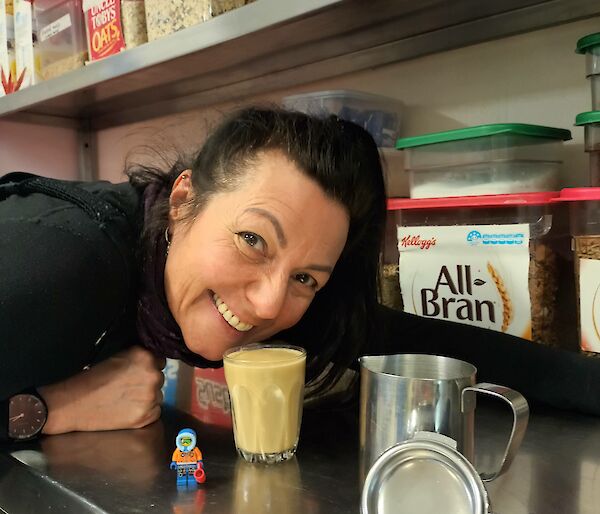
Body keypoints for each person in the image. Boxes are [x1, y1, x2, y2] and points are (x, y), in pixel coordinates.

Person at [1, 107, 599, 441]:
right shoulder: (67, 262)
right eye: (252, 239)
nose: (266, 305)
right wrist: (49, 409)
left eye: (307, 278)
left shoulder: (268, 299)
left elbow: (421, 343)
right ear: (184, 201)